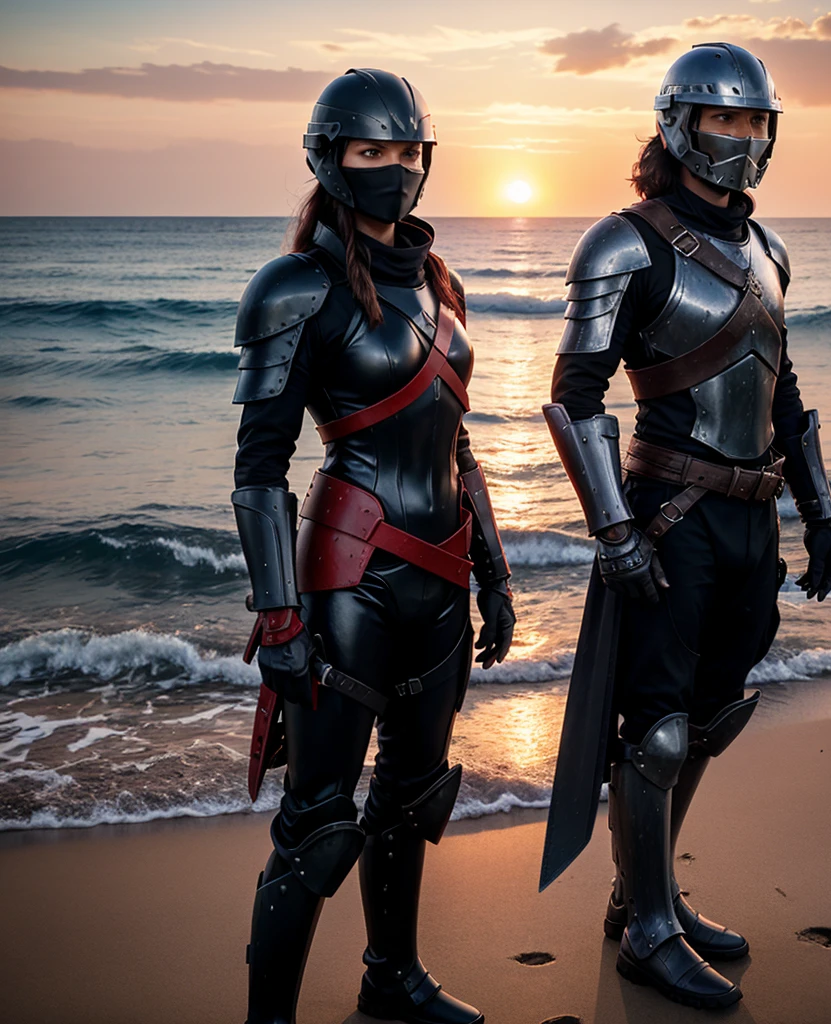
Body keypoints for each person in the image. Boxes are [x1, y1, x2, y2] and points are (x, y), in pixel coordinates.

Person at [540, 42, 831, 1009]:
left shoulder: (770, 251)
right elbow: (574, 396)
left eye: (756, 122)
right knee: (661, 730)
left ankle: (644, 894)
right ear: (678, 127)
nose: (742, 139)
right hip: (674, 515)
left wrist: (819, 510)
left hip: (752, 520)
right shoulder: (624, 244)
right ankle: (649, 932)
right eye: (725, 120)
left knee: (712, 717)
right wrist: (616, 532)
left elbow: (782, 391)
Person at [230, 68, 514, 1024]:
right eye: (370, 152)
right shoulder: (294, 289)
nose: (393, 169)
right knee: (317, 825)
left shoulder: (442, 285)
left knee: (411, 796)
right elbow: (259, 470)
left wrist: (496, 572)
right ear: (330, 161)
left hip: (441, 581)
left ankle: (390, 978)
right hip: (349, 584)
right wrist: (279, 619)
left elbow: (455, 437)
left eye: (406, 151)